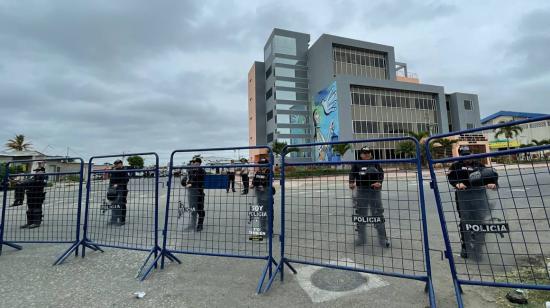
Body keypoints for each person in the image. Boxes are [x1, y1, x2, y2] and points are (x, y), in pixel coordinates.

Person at [447, 145, 498, 259]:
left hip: (479, 196)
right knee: (465, 221)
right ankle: (466, 247)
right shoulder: (455, 166)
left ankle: (478, 248)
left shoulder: (479, 165)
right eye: (464, 156)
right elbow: (451, 178)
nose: (467, 158)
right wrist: (457, 184)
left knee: (480, 222)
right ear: (460, 155)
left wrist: (493, 183)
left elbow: (490, 176)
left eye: (468, 155)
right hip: (463, 198)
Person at [349, 147, 390, 248]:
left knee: (378, 215)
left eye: (368, 153)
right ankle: (361, 238)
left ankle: (383, 239)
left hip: (374, 192)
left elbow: (381, 174)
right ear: (361, 154)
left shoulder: (375, 162)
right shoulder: (356, 163)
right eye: (364, 153)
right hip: (361, 191)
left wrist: (379, 182)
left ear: (371, 154)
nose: (366, 155)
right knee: (361, 215)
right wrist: (351, 182)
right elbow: (352, 174)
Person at [20, 162, 48, 229]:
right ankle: (30, 222)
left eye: (38, 171)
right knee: (30, 209)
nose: (36, 172)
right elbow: (28, 182)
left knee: (36, 209)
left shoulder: (43, 176)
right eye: (36, 171)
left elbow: (41, 183)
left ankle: (36, 222)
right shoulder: (34, 177)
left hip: (38, 195)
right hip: (31, 194)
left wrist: (28, 182)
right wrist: (24, 182)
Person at [250, 158, 273, 237]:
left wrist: (262, 186)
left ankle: (270, 232)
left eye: (263, 164)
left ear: (267, 165)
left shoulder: (269, 172)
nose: (261, 166)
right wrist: (253, 185)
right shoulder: (258, 172)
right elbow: (254, 182)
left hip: (267, 196)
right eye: (260, 164)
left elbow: (268, 182)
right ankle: (263, 231)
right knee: (262, 215)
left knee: (269, 215)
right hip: (260, 196)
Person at [185, 157, 206, 232]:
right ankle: (192, 225)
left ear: (199, 163)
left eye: (195, 163)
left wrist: (190, 183)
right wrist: (185, 182)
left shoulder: (201, 170)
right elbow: (185, 180)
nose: (193, 164)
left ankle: (200, 224)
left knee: (200, 209)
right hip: (192, 193)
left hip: (199, 193)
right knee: (192, 209)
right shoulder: (191, 171)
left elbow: (198, 180)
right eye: (193, 163)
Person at [109, 159, 130, 226]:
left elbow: (126, 180)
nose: (116, 165)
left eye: (118, 163)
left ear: (121, 164)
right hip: (114, 190)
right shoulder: (114, 171)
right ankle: (113, 220)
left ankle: (122, 220)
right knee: (114, 204)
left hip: (122, 190)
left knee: (122, 205)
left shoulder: (124, 170)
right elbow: (111, 179)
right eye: (115, 164)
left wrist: (118, 184)